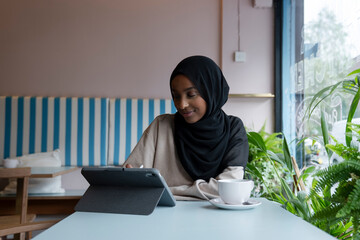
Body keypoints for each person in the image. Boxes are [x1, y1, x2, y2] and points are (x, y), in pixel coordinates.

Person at [123, 55, 249, 200]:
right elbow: (130, 176)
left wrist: (163, 191)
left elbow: (228, 187)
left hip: (216, 217)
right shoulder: (161, 126)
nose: (181, 104)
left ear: (211, 92)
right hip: (163, 216)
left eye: (191, 94)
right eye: (176, 96)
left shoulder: (233, 128)